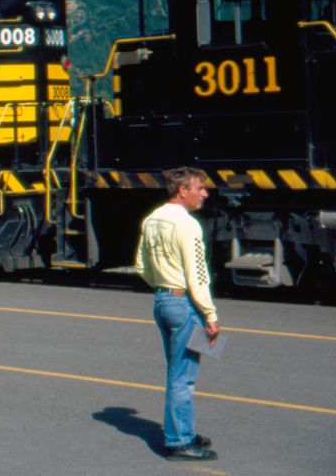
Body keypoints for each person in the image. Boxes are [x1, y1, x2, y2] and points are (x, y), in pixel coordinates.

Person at [134, 167, 220, 461]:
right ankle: (179, 441)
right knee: (183, 377)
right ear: (182, 190)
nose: (205, 194)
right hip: (184, 305)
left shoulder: (152, 219)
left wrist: (164, 288)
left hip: (163, 301)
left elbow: (141, 266)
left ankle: (184, 430)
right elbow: (198, 274)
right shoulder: (187, 224)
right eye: (200, 188)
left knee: (178, 371)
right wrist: (210, 314)